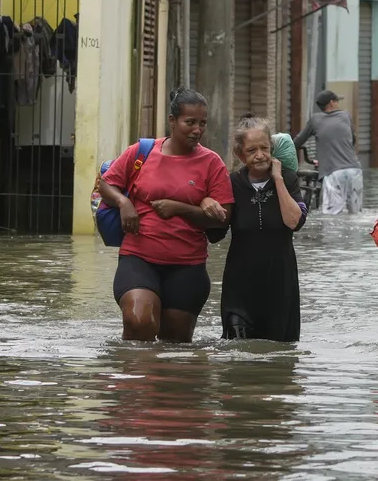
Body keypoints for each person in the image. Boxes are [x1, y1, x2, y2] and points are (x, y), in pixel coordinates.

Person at [97, 87, 235, 343]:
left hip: (188, 265)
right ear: (172, 121)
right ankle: (132, 381)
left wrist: (180, 208)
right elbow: (106, 184)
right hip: (139, 259)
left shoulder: (212, 163)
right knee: (139, 322)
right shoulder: (141, 152)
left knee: (176, 345)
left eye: (202, 123)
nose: (197, 130)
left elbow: (223, 217)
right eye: (190, 122)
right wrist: (123, 201)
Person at [208, 115, 308, 342]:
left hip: (280, 284)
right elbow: (215, 234)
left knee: (278, 356)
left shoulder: (289, 179)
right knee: (238, 350)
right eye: (252, 150)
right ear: (240, 154)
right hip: (240, 285)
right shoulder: (231, 183)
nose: (260, 155)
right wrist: (207, 205)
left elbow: (295, 222)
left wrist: (278, 179)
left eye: (264, 148)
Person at [293, 90, 363, 215]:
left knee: (332, 216)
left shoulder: (315, 120)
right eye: (337, 101)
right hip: (355, 170)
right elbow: (352, 140)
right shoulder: (345, 116)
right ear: (331, 103)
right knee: (355, 214)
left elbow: (298, 141)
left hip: (333, 172)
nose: (338, 104)